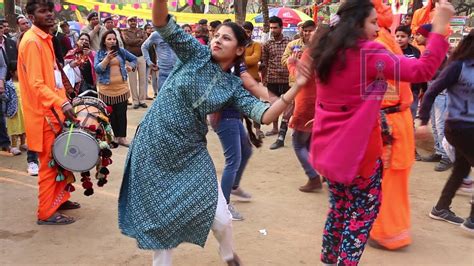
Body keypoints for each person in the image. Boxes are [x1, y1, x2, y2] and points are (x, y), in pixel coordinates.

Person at [118, 1, 309, 264]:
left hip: (190, 152)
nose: (217, 40)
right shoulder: (194, 53)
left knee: (220, 218)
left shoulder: (232, 86)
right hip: (154, 145)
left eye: (226, 38)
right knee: (160, 223)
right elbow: (162, 22)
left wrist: (297, 87)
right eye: (217, 35)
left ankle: (228, 254)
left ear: (240, 49)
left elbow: (264, 115)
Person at [306, 0, 452, 263]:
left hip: (329, 151)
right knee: (362, 214)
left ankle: (329, 260)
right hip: (359, 154)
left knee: (338, 209)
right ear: (356, 23)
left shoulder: (327, 51)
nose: (377, 28)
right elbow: (422, 70)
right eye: (373, 22)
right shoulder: (368, 53)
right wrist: (440, 29)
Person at [18, 0, 82, 225]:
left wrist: (64, 100)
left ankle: (60, 198)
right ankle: (46, 212)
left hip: (54, 110)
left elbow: (51, 79)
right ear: (31, 16)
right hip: (44, 114)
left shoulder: (45, 39)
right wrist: (61, 103)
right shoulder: (33, 42)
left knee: (61, 159)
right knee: (48, 165)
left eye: (50, 10)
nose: (49, 15)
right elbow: (37, 84)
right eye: (42, 12)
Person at [368, 0, 417, 250]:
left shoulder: (376, 45)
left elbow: (375, 93)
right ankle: (395, 230)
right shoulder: (389, 41)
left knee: (385, 181)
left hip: (388, 123)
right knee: (394, 180)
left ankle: (386, 233)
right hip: (400, 120)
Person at [418, 30, 474, 234]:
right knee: (462, 167)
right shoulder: (457, 66)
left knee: (461, 168)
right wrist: (422, 119)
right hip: (460, 128)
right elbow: (431, 91)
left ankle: (441, 207)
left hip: (468, 128)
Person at [288, 25, 327, 193]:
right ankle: (325, 172)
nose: (310, 33)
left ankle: (313, 177)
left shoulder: (310, 53)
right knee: (311, 142)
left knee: (298, 143)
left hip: (306, 101)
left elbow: (299, 77)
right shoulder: (329, 54)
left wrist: (291, 63)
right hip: (320, 101)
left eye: (314, 31)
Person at [95, 30, 137, 147]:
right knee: (110, 115)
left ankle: (122, 138)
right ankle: (113, 137)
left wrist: (131, 67)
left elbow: (134, 59)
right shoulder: (99, 53)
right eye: (109, 39)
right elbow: (98, 69)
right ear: (104, 41)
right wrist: (107, 59)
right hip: (106, 90)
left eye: (114, 39)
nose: (112, 41)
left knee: (121, 114)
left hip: (121, 88)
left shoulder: (121, 52)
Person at [261, 16, 290, 148]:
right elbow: (265, 62)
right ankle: (275, 128)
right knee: (274, 106)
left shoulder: (289, 42)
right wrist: (264, 78)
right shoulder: (267, 44)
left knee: (287, 107)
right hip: (272, 79)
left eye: (275, 27)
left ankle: (283, 130)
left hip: (286, 79)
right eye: (271, 27)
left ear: (281, 27)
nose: (273, 30)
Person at [121, 16, 148, 109]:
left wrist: (136, 41)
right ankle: (135, 101)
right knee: (132, 81)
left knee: (143, 79)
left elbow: (145, 41)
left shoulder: (142, 31)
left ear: (136, 21)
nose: (133, 22)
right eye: (131, 21)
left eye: (134, 20)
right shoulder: (124, 32)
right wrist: (138, 40)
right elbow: (127, 41)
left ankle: (142, 100)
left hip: (141, 57)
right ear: (128, 22)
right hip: (130, 59)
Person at [141, 27, 177, 97]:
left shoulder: (177, 34)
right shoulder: (156, 34)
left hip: (176, 71)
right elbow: (144, 47)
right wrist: (149, 62)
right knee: (163, 97)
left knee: (175, 98)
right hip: (164, 71)